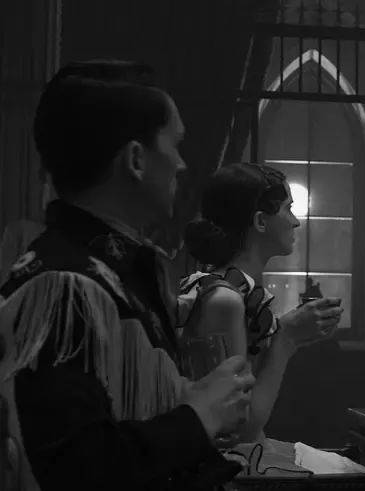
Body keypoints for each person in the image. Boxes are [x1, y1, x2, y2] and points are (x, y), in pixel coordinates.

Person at [0, 60, 255, 490]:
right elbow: (76, 470)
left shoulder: (116, 272)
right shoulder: (64, 287)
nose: (181, 165)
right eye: (174, 144)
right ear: (136, 159)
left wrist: (190, 400)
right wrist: (199, 416)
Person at [178, 162, 344, 442]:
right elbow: (241, 427)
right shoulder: (224, 300)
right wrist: (287, 339)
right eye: (288, 209)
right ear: (261, 222)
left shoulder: (238, 291)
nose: (295, 221)